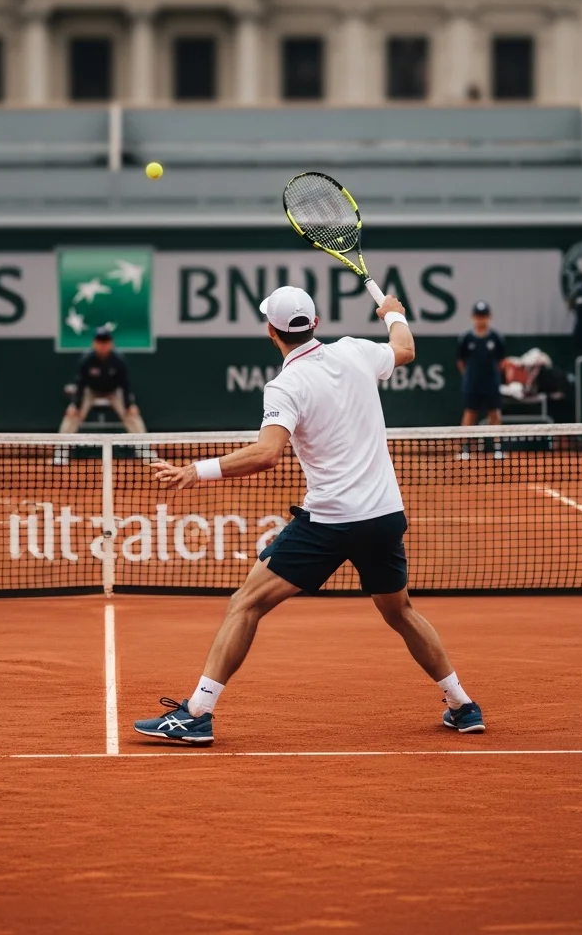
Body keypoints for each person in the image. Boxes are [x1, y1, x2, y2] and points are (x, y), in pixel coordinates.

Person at [133, 286, 484, 745]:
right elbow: (405, 349)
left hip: (330, 523)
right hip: (383, 515)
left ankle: (197, 713)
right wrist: (393, 314)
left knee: (246, 604)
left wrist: (195, 471)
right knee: (400, 611)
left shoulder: (286, 385)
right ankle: (462, 705)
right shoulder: (356, 351)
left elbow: (266, 454)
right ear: (315, 323)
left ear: (270, 331)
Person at [59, 327, 147, 435]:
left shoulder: (118, 360)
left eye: (105, 342)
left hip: (113, 391)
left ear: (111, 344)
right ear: (94, 343)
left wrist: (129, 405)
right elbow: (81, 383)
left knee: (132, 414)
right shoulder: (86, 360)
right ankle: (61, 444)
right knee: (72, 413)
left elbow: (125, 384)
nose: (102, 345)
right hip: (91, 391)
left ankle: (144, 444)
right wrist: (76, 405)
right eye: (99, 342)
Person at [457, 301, 505, 460]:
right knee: (469, 415)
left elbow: (501, 362)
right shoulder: (466, 338)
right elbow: (461, 362)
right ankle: (465, 449)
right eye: (478, 316)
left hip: (491, 385)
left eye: (484, 316)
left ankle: (498, 448)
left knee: (495, 415)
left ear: (489, 317)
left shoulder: (496, 338)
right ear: (473, 317)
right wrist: (470, 376)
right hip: (472, 385)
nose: (481, 319)